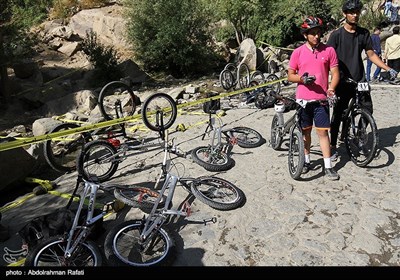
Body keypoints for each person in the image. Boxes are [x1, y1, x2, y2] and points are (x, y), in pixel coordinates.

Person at [326, 0, 398, 161]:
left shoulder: (364, 33)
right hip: (343, 80)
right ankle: (332, 145)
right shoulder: (336, 35)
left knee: (368, 108)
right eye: (351, 12)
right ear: (345, 14)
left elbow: (371, 54)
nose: (355, 15)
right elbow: (327, 58)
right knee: (339, 113)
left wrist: (387, 68)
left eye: (357, 12)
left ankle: (358, 134)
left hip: (360, 79)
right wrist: (328, 80)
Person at [288, 16, 340, 180]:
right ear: (305, 35)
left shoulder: (329, 50)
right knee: (306, 133)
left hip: (321, 100)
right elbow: (290, 75)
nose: (316, 36)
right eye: (312, 33)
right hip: (303, 100)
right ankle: (307, 161)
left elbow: (335, 73)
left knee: (323, 133)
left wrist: (331, 87)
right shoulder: (297, 52)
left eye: (318, 33)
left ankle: (328, 166)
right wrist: (302, 79)